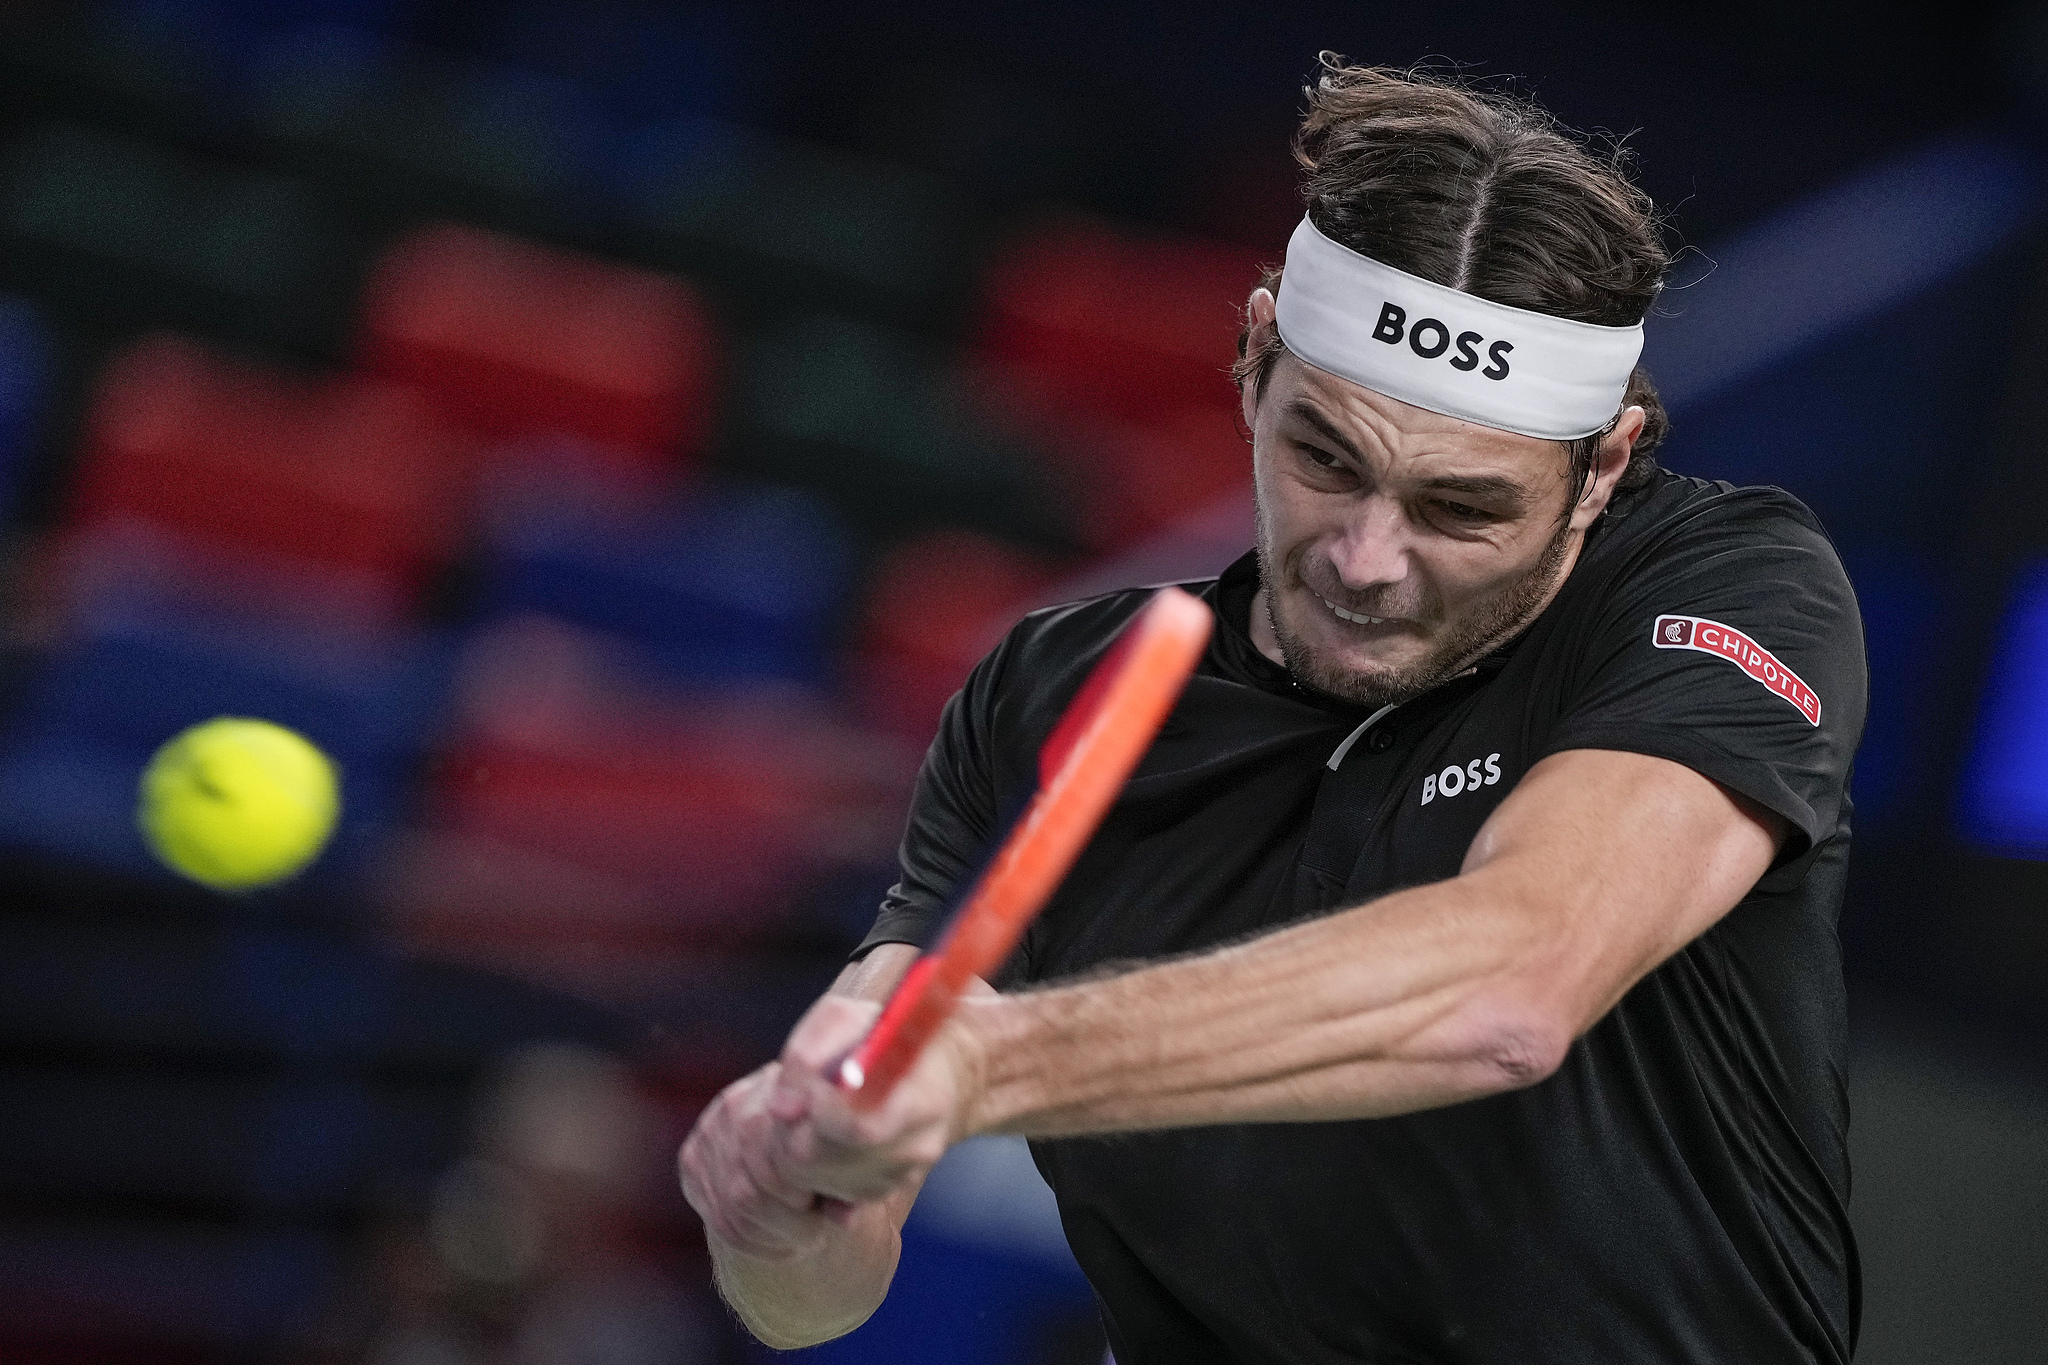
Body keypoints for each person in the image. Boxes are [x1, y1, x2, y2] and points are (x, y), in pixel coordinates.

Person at [680, 59, 1866, 1365]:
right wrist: (774, 1214)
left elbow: (1515, 982)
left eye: (1460, 508)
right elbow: (825, 1288)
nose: (1364, 559)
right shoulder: (1054, 694)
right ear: (1252, 359)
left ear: (1604, 472)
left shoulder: (1724, 585)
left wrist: (992, 1065)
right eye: (1324, 458)